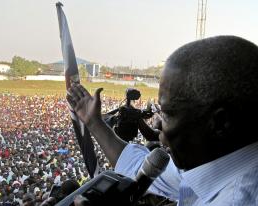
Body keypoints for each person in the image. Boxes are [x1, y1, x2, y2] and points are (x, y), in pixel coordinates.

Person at [68, 35, 258, 205]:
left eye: (166, 112)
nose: (157, 123)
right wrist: (94, 122)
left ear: (220, 122)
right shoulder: (212, 158)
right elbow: (136, 165)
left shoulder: (238, 199)